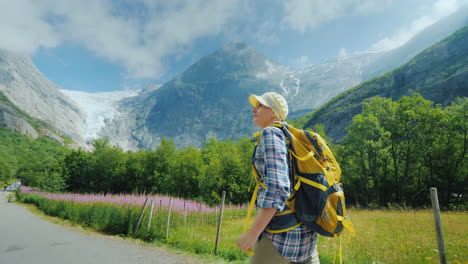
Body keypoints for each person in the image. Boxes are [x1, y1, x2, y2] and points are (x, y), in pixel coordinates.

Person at [237, 92, 320, 264]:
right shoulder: (292, 136)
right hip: (307, 236)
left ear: (274, 113)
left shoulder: (271, 134)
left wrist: (253, 233)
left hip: (280, 238)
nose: (254, 109)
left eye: (260, 105)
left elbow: (277, 188)